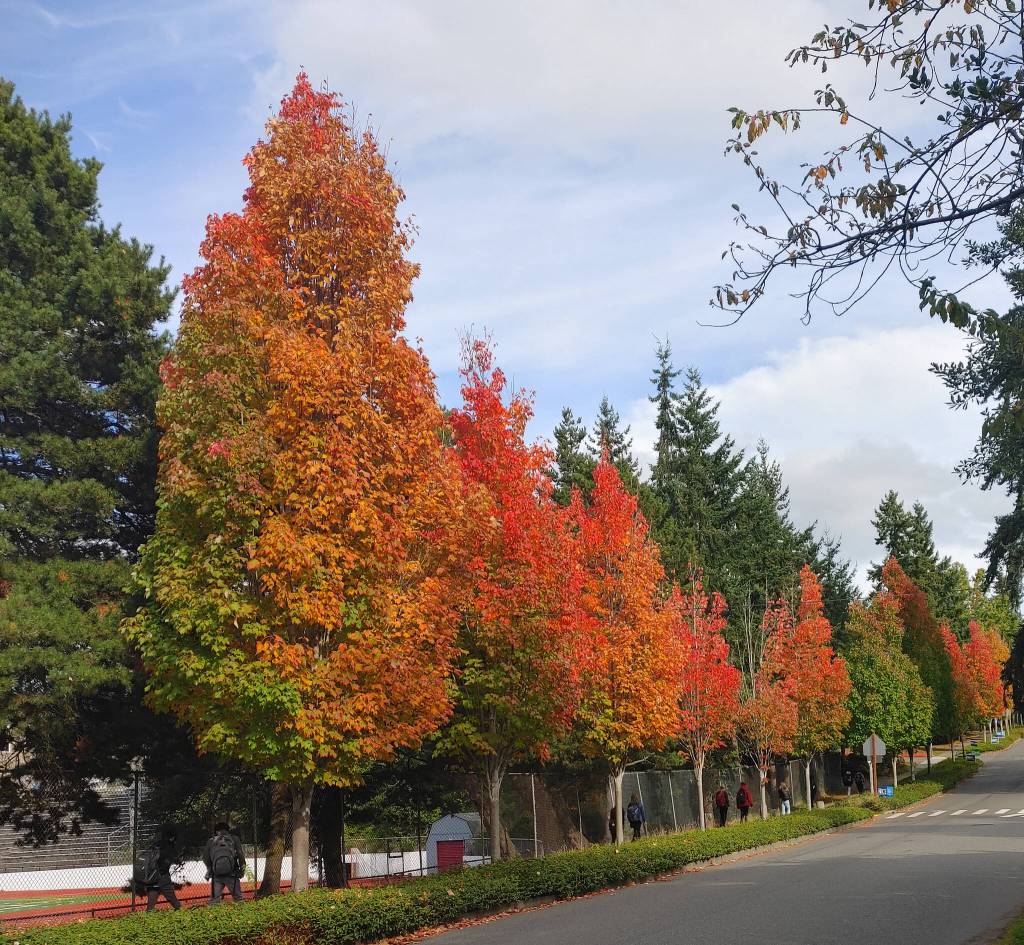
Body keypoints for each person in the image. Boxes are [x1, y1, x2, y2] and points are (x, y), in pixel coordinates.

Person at [204, 821, 245, 903]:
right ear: (228, 830)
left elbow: (205, 857)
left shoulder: (211, 841)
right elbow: (240, 855)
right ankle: (243, 914)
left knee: (214, 900)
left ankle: (213, 915)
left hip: (216, 875)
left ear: (216, 831)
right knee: (238, 898)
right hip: (232, 873)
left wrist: (210, 868)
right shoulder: (234, 839)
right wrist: (242, 869)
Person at [146, 825, 182, 912]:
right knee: (172, 898)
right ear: (172, 837)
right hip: (163, 875)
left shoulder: (155, 845)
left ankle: (148, 915)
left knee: (152, 898)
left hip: (151, 875)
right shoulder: (170, 846)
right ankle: (180, 912)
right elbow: (176, 860)